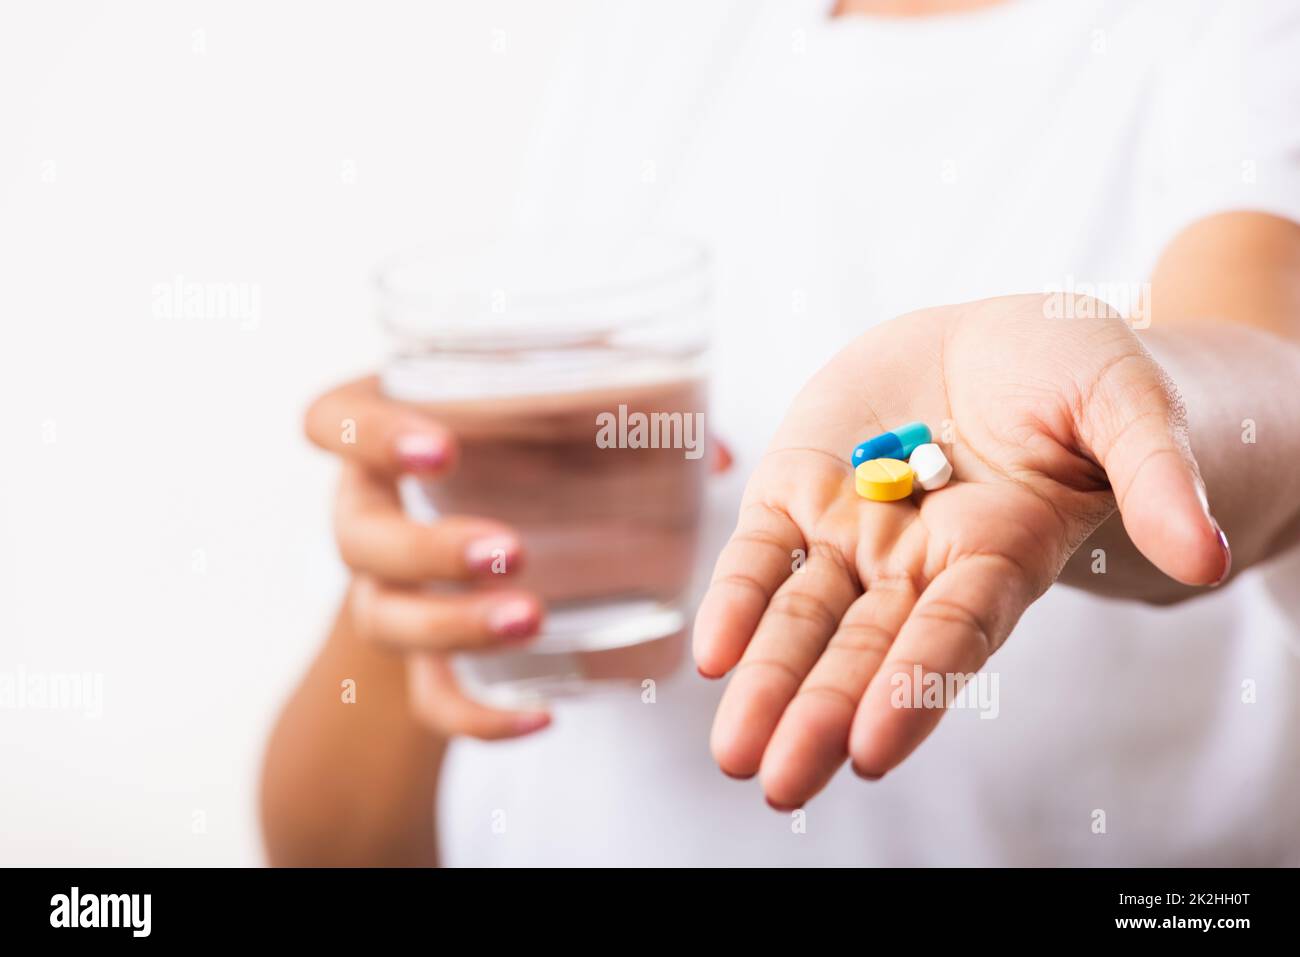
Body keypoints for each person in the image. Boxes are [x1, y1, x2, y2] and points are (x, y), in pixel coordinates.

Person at [261, 0, 1300, 866]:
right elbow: (325, 847)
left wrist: (1134, 410)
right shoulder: (660, 40)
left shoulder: (1230, 36)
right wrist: (420, 585)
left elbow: (1266, 388)